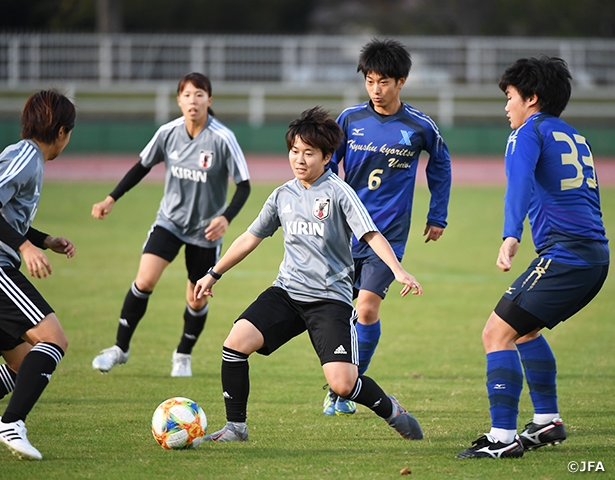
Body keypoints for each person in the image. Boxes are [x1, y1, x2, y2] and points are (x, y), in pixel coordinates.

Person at [193, 106, 424, 443]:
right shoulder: (282, 195)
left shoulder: (339, 192)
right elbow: (249, 238)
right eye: (294, 151)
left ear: (328, 156)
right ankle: (235, 429)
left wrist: (398, 271)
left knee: (342, 385)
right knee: (234, 344)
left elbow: (371, 234)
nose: (299, 160)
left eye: (309, 153)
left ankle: (390, 409)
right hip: (287, 293)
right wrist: (213, 273)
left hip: (329, 300)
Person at [457, 56, 609, 459]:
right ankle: (547, 422)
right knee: (524, 331)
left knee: (496, 333)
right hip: (594, 257)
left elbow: (519, 184)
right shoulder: (575, 136)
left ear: (532, 98)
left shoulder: (527, 133)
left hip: (566, 255)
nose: (507, 106)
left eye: (509, 96)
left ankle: (502, 438)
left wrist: (510, 235)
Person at [91, 72, 251, 377]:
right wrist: (111, 198)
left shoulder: (222, 138)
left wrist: (225, 218)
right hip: (170, 222)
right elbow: (142, 166)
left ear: (209, 100)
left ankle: (183, 354)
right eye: (187, 95)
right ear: (179, 100)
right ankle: (119, 349)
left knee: (196, 296)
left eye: (200, 94)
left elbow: (244, 185)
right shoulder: (168, 132)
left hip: (205, 232)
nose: (193, 101)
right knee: (145, 280)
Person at [325, 38, 451, 415]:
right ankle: (343, 380)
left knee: (366, 309)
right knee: (338, 312)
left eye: (384, 82)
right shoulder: (349, 120)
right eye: (370, 81)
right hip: (345, 231)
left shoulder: (419, 125)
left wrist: (437, 214)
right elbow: (329, 165)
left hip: (389, 234)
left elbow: (441, 165)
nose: (376, 90)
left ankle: (346, 387)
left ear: (402, 82)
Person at [0, 90, 77, 460]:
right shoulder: (26, 156)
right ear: (62, 131)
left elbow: (1, 213)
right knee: (53, 340)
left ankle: (11, 419)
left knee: (21, 365)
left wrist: (43, 239)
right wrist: (24, 247)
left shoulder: (27, 158)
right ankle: (11, 423)